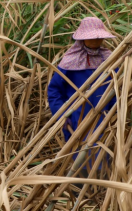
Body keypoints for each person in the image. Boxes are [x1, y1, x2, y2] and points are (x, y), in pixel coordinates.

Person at [47, 17, 116, 173]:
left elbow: (118, 86)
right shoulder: (70, 62)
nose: (95, 41)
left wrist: (115, 112)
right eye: (90, 37)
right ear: (82, 38)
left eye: (98, 37)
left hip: (104, 118)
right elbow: (54, 90)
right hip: (77, 119)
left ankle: (101, 192)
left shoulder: (109, 59)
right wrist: (63, 115)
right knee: (79, 159)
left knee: (102, 156)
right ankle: (80, 192)